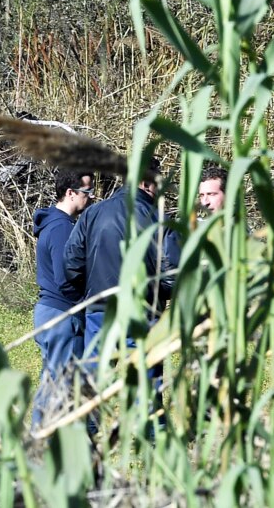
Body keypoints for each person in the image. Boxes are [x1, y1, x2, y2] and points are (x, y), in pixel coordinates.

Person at [62, 157, 175, 361]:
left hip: (100, 311)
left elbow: (71, 264)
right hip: (142, 313)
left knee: (96, 381)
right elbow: (172, 277)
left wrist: (91, 294)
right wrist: (153, 296)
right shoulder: (159, 220)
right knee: (144, 383)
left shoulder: (92, 214)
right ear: (145, 182)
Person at [31, 170, 94, 429]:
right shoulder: (60, 228)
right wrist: (87, 301)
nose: (91, 198)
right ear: (70, 193)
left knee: (54, 379)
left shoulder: (54, 224)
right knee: (59, 382)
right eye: (87, 193)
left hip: (50, 311)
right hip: (60, 314)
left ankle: (45, 437)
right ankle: (41, 439)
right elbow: (65, 278)